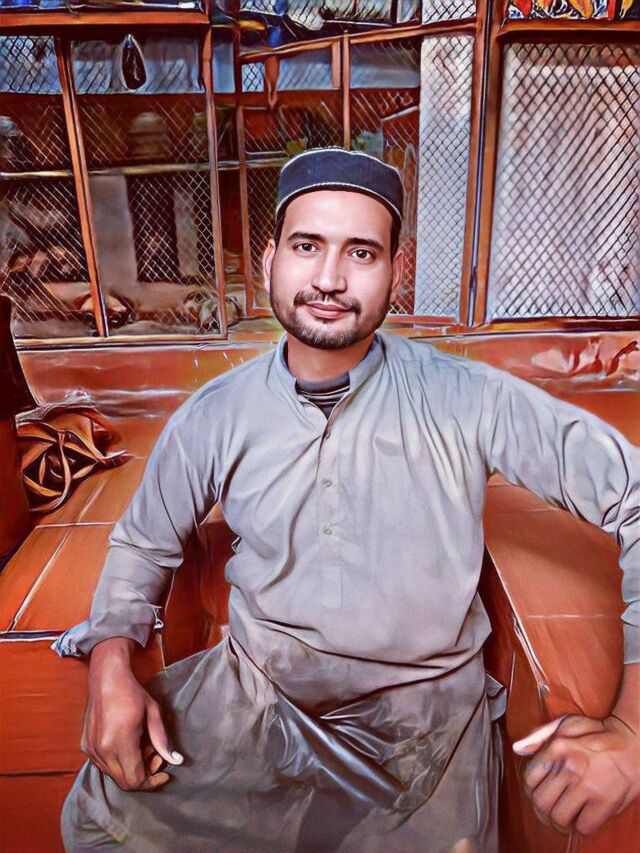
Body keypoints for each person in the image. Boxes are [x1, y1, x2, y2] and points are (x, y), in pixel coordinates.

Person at [53, 148, 640, 852]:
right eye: (307, 246)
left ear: (398, 271)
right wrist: (110, 664)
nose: (329, 278)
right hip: (257, 696)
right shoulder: (216, 414)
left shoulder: (470, 399)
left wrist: (633, 732)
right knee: (98, 820)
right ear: (270, 261)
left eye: (361, 252)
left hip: (420, 725)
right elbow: (142, 543)